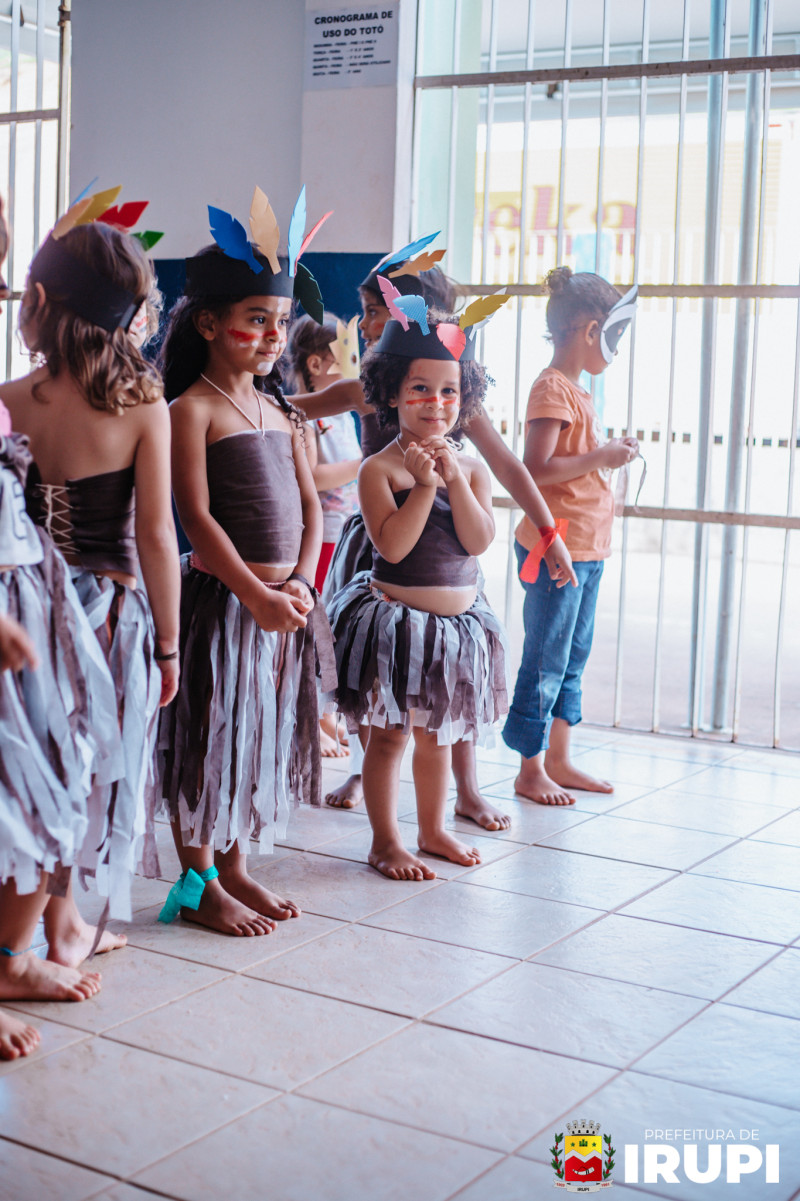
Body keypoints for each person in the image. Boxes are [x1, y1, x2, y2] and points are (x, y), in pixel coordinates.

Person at [323, 250, 577, 828]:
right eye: (365, 311)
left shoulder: (456, 408)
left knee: (446, 702)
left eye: (375, 311)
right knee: (385, 706)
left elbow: (502, 486)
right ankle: (382, 812)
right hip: (387, 547)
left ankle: (455, 801)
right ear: (394, 390)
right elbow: (391, 541)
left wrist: (546, 532)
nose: (365, 323)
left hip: (452, 570)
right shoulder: (377, 398)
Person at [2, 217, 181, 957]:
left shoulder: (11, 396)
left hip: (30, 611)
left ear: (37, 298)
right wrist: (169, 644)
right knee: (100, 764)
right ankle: (59, 921)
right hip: (109, 618)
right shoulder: (143, 404)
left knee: (44, 761)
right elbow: (157, 535)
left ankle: (45, 921)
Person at [156, 234, 337, 937]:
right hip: (223, 605)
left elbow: (314, 508)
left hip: (279, 607)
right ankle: (195, 880)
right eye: (255, 318)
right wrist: (255, 594)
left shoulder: (283, 411)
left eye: (280, 320)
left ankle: (232, 866)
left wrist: (298, 582)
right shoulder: (191, 411)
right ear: (209, 323)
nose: (271, 335)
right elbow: (195, 519)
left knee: (251, 738)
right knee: (208, 736)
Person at [328, 313, 507, 880]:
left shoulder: (473, 470)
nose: (437, 402)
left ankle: (432, 830)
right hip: (396, 626)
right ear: (393, 395)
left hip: (454, 630)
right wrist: (425, 484)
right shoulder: (379, 469)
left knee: (438, 736)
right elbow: (395, 547)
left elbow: (479, 540)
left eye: (449, 390)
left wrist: (453, 477)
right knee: (390, 737)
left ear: (466, 395)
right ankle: (386, 840)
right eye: (420, 390)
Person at [504, 266, 639, 804]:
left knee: (572, 655)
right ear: (587, 330)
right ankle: (529, 766)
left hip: (586, 549)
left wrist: (605, 456)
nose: (614, 348)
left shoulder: (578, 393)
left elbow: (570, 462)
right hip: (554, 548)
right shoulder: (552, 387)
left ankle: (558, 757)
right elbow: (534, 468)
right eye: (612, 335)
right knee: (546, 657)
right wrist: (601, 457)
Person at [284, 313, 361, 757]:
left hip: (346, 532)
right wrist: (365, 466)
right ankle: (311, 715)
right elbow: (312, 476)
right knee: (316, 625)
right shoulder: (304, 417)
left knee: (334, 626)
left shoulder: (345, 415)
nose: (355, 364)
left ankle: (328, 713)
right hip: (323, 536)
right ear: (316, 365)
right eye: (346, 357)